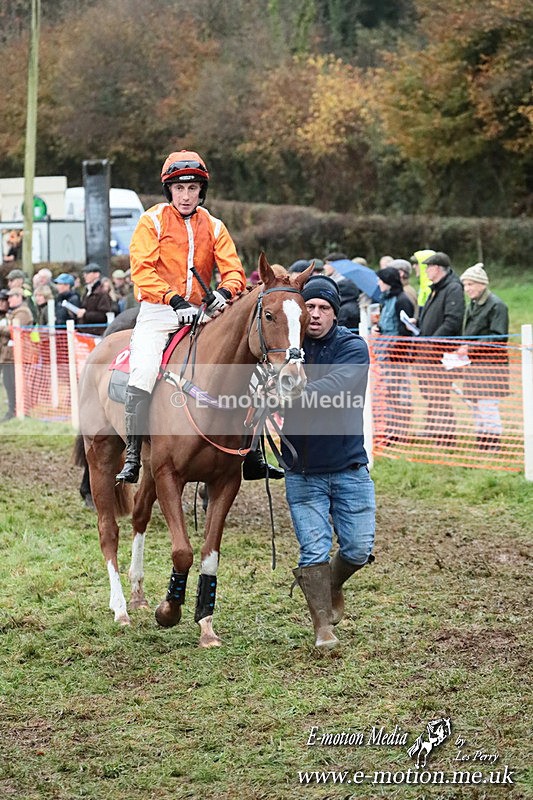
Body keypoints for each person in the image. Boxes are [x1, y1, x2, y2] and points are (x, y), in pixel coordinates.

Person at [115, 148, 249, 483]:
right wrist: (174, 299)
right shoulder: (152, 220)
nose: (186, 195)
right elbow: (142, 271)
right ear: (169, 190)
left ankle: (253, 452)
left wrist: (223, 292)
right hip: (160, 311)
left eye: (192, 188)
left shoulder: (215, 226)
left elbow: (235, 273)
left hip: (204, 312)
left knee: (246, 366)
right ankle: (133, 454)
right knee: (143, 370)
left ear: (201, 191)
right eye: (179, 188)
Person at [281, 275, 375, 650]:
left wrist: (293, 389)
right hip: (302, 472)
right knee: (313, 550)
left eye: (323, 308)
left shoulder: (352, 347)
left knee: (358, 549)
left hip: (349, 466)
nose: (315, 314)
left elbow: (338, 386)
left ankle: (332, 583)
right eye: (309, 308)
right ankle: (323, 627)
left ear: (335, 313)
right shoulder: (288, 349)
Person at [459, 263, 509, 451]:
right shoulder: (472, 305)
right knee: (475, 405)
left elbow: (499, 337)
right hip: (474, 365)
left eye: (471, 284)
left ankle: (493, 443)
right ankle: (482, 440)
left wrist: (470, 347)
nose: (467, 289)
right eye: (465, 285)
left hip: (491, 366)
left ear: (482, 284)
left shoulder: (497, 305)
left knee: (488, 406)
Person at [416, 252, 465, 442]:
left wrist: (431, 342)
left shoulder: (452, 288)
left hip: (439, 352)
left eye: (428, 267)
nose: (426, 271)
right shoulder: (437, 288)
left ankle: (445, 434)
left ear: (436, 268)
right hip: (428, 351)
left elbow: (452, 321)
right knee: (430, 392)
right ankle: (433, 427)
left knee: (440, 393)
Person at [373, 266, 415, 444]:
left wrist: (393, 349)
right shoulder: (386, 300)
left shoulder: (401, 300)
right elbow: (388, 323)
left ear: (388, 282)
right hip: (384, 354)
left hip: (396, 356)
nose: (378, 283)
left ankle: (401, 432)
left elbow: (405, 331)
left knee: (400, 395)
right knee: (388, 394)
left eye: (381, 280)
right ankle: (390, 430)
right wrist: (379, 328)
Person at [0, 287, 33, 420]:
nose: (8, 300)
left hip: (17, 356)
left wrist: (1, 328)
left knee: (15, 384)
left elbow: (14, 330)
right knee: (8, 384)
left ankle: (18, 411)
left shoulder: (23, 312)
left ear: (19, 296)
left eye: (11, 297)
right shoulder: (13, 312)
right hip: (9, 355)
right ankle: (12, 410)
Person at [75, 263, 113, 336]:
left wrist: (85, 314)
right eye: (84, 273)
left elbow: (104, 315)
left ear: (97, 274)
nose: (85, 275)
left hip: (96, 334)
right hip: (85, 332)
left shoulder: (102, 293)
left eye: (88, 273)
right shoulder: (86, 291)